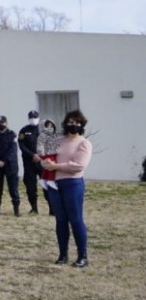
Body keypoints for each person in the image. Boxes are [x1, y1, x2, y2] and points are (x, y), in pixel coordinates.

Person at [41, 110, 92, 268]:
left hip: (73, 184)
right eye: (70, 122)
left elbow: (79, 166)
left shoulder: (84, 143)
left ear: (82, 125)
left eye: (77, 123)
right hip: (55, 185)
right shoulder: (57, 140)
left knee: (75, 219)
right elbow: (45, 157)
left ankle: (82, 255)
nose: (73, 125)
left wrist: (56, 166)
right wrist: (45, 163)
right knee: (60, 220)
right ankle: (63, 254)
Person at [0, 115, 21, 216]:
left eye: (3, 123)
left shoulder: (12, 135)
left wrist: (5, 161)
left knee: (13, 188)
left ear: (6, 123)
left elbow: (13, 151)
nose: (1, 125)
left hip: (10, 165)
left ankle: (16, 210)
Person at [18, 110, 43, 215]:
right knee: (30, 186)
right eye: (31, 117)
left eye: (35, 117)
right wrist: (32, 155)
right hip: (29, 162)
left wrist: (40, 156)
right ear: (28, 118)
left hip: (43, 162)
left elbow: (50, 145)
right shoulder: (24, 130)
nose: (33, 119)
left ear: (39, 117)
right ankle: (34, 208)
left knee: (47, 185)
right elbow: (21, 145)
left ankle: (52, 208)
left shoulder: (44, 130)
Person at [36, 119, 59, 215]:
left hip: (57, 159)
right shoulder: (42, 136)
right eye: (47, 126)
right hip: (48, 158)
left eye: (51, 126)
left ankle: (56, 208)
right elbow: (40, 147)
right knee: (49, 181)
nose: (50, 128)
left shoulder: (56, 136)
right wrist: (42, 155)